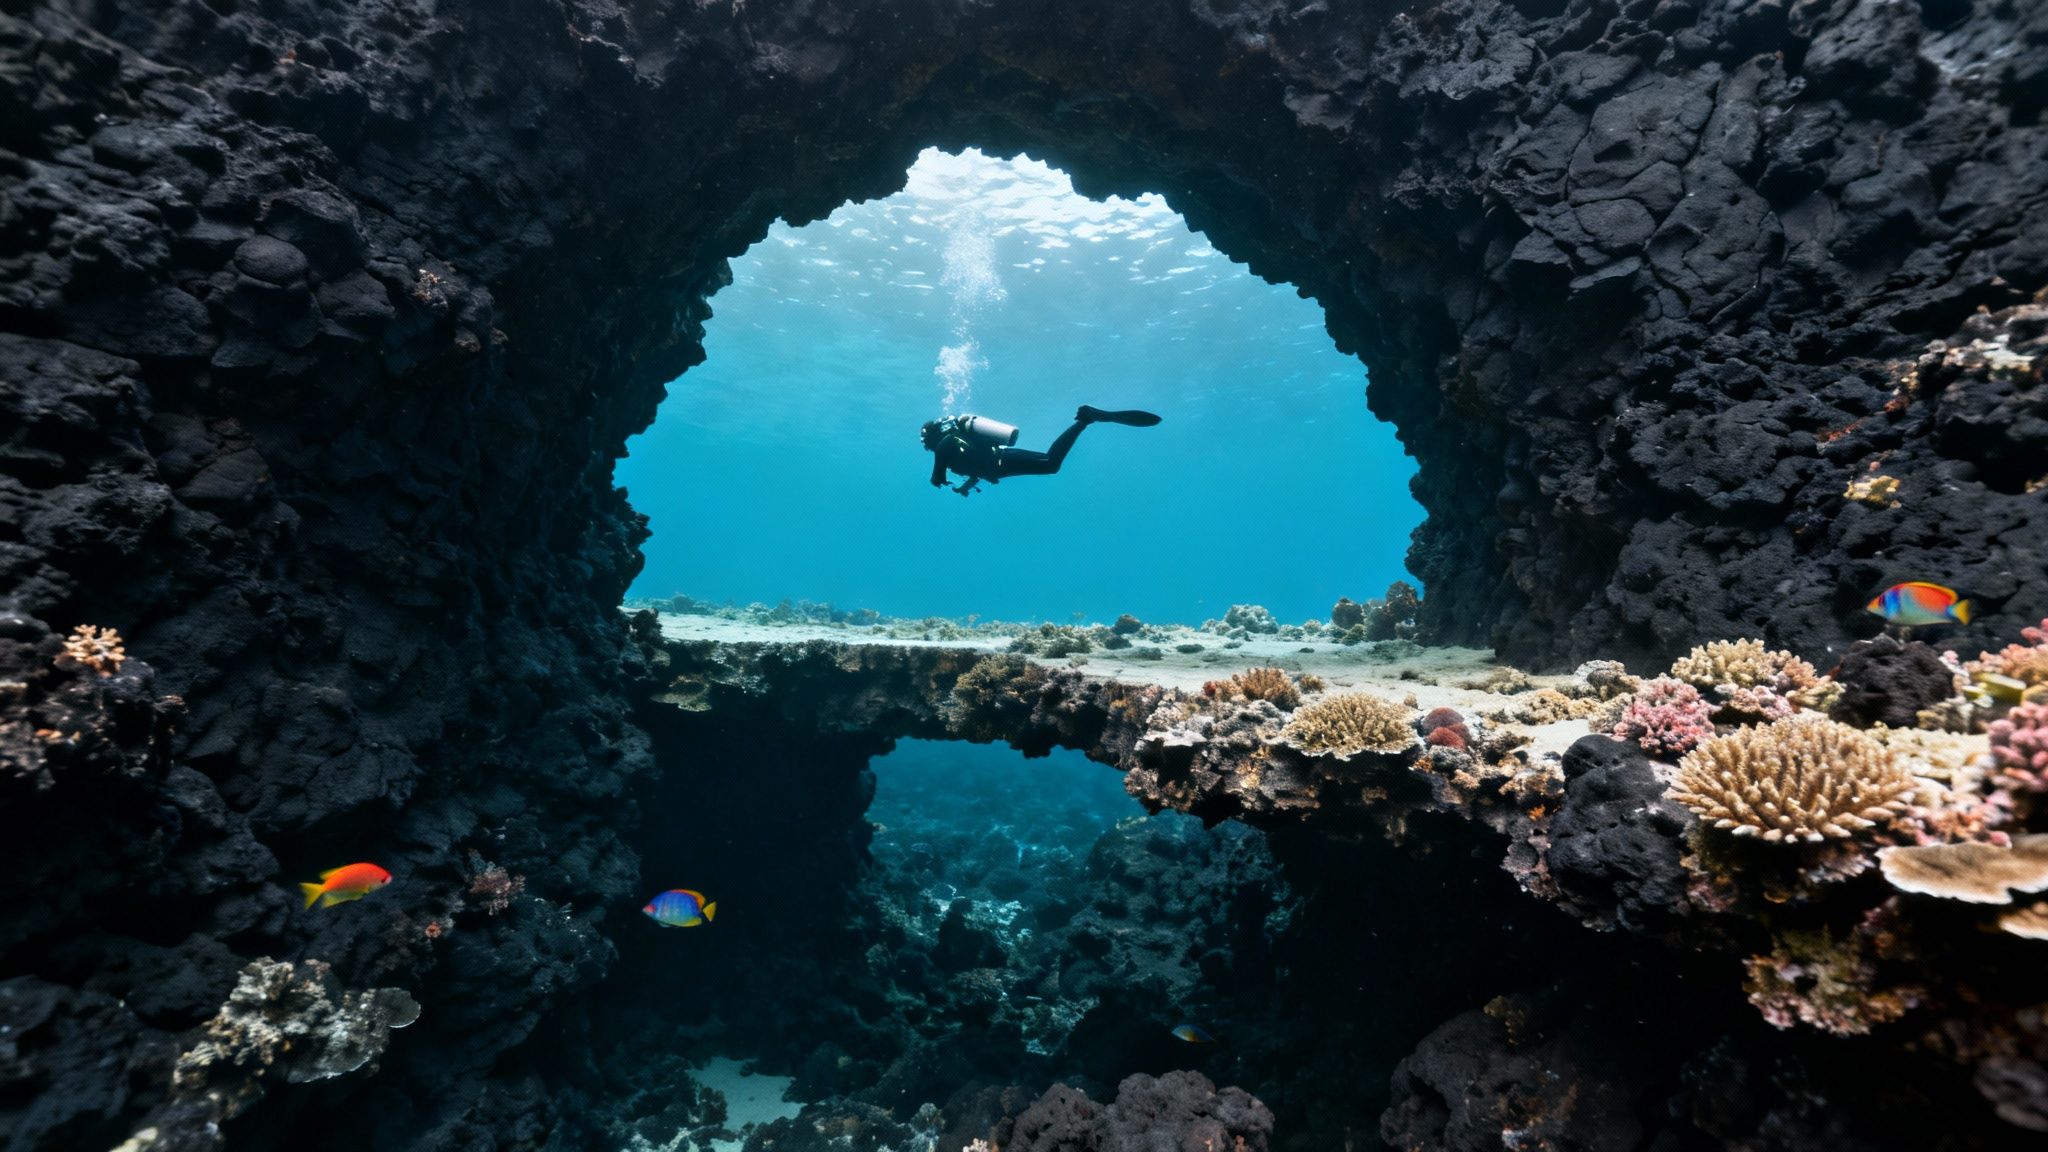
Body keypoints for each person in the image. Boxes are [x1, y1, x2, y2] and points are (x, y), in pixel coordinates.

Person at [922, 405, 1161, 495]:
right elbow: (972, 464)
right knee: (1050, 464)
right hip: (997, 465)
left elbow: (946, 445)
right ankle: (1085, 421)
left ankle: (1086, 419)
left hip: (1001, 460)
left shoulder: (945, 444)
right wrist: (966, 486)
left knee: (1050, 463)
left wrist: (937, 473)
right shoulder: (952, 447)